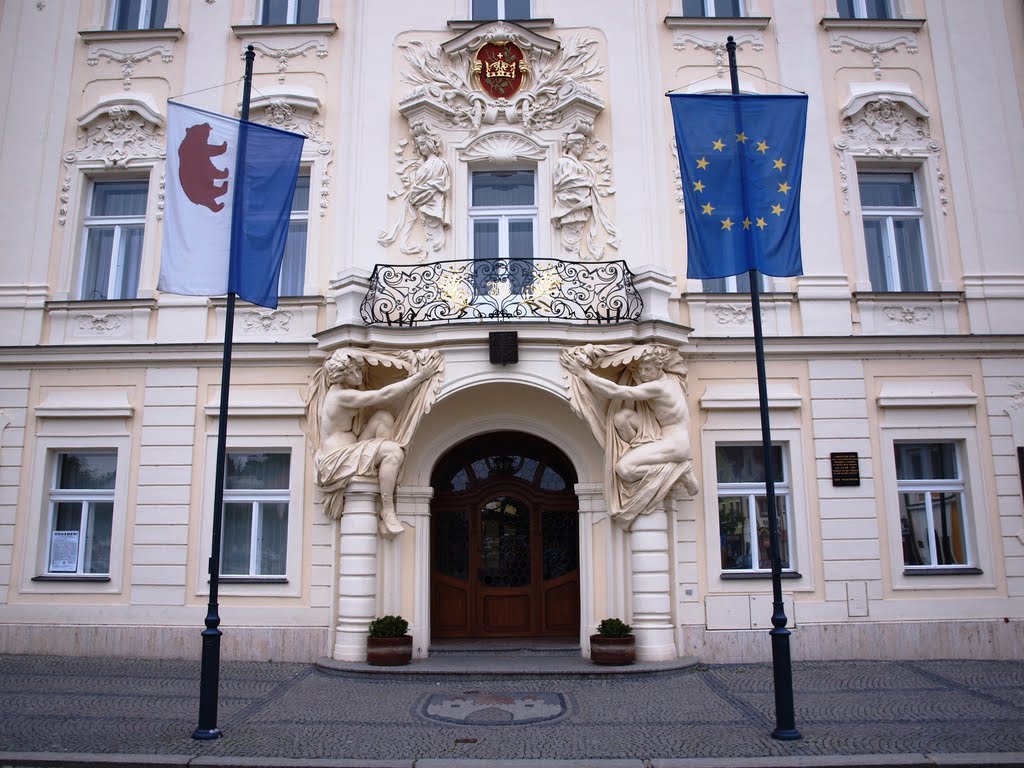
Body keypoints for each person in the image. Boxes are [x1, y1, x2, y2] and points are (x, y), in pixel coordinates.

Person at [309, 350, 442, 537]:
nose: (357, 376)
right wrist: (421, 376)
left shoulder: (345, 391)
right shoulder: (341, 396)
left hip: (350, 447)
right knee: (394, 452)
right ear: (339, 377)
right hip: (337, 459)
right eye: (350, 373)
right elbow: (383, 395)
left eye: (357, 370)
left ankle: (382, 472)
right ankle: (387, 508)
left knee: (383, 417)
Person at [563, 345, 699, 521]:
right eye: (640, 368)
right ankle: (651, 458)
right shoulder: (671, 380)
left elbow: (617, 391)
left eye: (647, 369)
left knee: (624, 468)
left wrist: (583, 374)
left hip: (675, 445)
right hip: (664, 438)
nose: (642, 373)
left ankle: (678, 470)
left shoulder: (659, 387)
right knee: (622, 418)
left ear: (659, 368)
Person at [377, 123, 450, 255]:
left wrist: (419, 189)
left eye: (422, 145)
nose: (420, 148)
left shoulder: (438, 163)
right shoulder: (422, 164)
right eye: (419, 146)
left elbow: (439, 183)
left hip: (430, 199)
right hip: (421, 197)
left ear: (430, 145)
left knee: (434, 231)